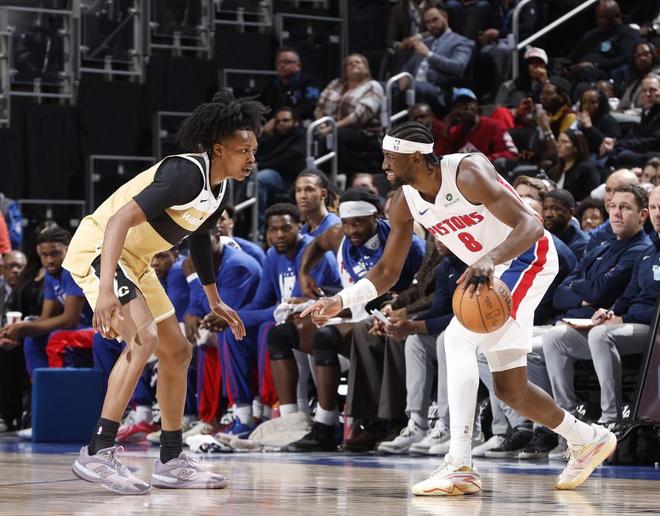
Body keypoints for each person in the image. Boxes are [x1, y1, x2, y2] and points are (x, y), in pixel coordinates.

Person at [302, 121, 616, 496]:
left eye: (389, 157)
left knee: (456, 339)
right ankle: (588, 438)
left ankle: (460, 464)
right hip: (490, 269)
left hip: (525, 258)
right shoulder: (403, 201)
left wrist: (490, 258)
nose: (383, 165)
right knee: (511, 389)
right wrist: (341, 300)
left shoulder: (468, 171)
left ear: (415, 158)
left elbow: (531, 225)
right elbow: (386, 272)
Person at [60, 91, 268, 494]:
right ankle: (97, 451)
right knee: (144, 338)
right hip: (102, 249)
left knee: (178, 351)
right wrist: (106, 290)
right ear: (218, 149)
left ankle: (172, 460)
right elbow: (118, 220)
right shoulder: (185, 173)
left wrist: (214, 299)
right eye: (243, 151)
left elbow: (200, 237)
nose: (251, 159)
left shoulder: (219, 188)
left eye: (254, 151)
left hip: (136, 261)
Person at [0, 228, 94, 377]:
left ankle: (56, 386)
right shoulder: (51, 274)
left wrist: (24, 328)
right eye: (44, 255)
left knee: (56, 337)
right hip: (78, 328)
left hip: (98, 328)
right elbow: (46, 317)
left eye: (55, 254)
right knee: (32, 340)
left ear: (68, 250)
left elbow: (70, 320)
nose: (49, 260)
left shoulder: (74, 270)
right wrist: (16, 330)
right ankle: (40, 386)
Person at [400, 5, 474, 115]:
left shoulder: (461, 42)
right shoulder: (425, 42)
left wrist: (429, 55)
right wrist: (404, 76)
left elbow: (458, 67)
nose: (432, 25)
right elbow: (408, 67)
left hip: (437, 89)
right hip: (415, 85)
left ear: (445, 17)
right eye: (428, 22)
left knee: (414, 87)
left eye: (435, 20)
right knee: (381, 86)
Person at [565, 0, 641, 85]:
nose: (601, 21)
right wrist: (569, 66)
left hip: (606, 73)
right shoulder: (591, 34)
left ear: (617, 16)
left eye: (605, 17)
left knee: (585, 72)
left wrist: (595, 64)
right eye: (598, 17)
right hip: (580, 68)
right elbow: (575, 54)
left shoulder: (628, 34)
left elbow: (625, 58)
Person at [255, 107, 307, 224]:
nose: (281, 124)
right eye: (278, 121)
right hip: (271, 172)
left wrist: (258, 166)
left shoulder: (300, 138)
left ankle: (259, 225)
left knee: (260, 178)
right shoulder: (274, 137)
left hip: (288, 180)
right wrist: (263, 132)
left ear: (295, 122)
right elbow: (257, 151)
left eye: (285, 120)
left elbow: (283, 161)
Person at [258, 47, 320, 128]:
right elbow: (263, 108)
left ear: (299, 65)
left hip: (299, 125)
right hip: (272, 127)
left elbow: (309, 107)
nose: (282, 65)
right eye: (279, 62)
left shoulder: (310, 83)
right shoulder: (270, 86)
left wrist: (278, 118)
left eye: (287, 62)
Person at [546, 129, 600, 202]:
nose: (558, 145)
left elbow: (590, 197)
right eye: (558, 141)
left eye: (564, 142)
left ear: (576, 147)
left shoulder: (587, 169)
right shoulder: (554, 170)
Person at [541, 189, 590, 260]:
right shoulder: (539, 238)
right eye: (545, 208)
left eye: (555, 209)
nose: (548, 214)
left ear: (571, 212)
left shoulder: (583, 245)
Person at [295, 169, 341, 238]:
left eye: (309, 190)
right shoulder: (302, 231)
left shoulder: (335, 227)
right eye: (298, 190)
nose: (302, 196)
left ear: (323, 194)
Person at [576, 87, 621, 154]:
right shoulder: (580, 120)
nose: (587, 106)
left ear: (601, 103)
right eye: (584, 102)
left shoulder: (610, 122)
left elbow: (609, 145)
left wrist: (590, 128)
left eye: (593, 102)